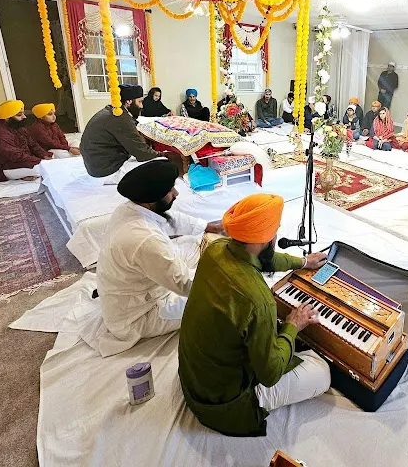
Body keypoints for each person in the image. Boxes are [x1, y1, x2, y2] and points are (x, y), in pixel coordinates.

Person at [178, 193, 331, 437]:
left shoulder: (215, 249)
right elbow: (269, 374)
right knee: (321, 371)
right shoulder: (258, 300)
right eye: (276, 230)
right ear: (268, 238)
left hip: (194, 380)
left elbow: (266, 260)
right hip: (225, 403)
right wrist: (292, 325)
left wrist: (303, 262)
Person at [96, 159, 225, 355]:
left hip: (140, 285)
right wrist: (229, 277)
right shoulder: (145, 239)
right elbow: (185, 285)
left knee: (190, 244)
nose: (176, 193)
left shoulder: (132, 208)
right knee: (221, 302)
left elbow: (171, 219)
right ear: (151, 198)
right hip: (140, 315)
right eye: (170, 189)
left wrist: (212, 227)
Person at [80, 84, 178, 179]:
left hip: (94, 164)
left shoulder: (113, 111)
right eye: (140, 102)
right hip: (105, 168)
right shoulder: (120, 118)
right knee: (162, 165)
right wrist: (162, 154)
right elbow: (142, 153)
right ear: (128, 102)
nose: (142, 106)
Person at [0, 100, 53, 182]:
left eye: (23, 113)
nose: (24, 117)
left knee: (53, 160)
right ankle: (22, 174)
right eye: (19, 114)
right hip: (0, 168)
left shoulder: (17, 127)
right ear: (7, 117)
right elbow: (15, 156)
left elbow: (33, 145)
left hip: (17, 162)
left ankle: (24, 174)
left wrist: (45, 156)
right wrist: (41, 161)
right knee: (43, 168)